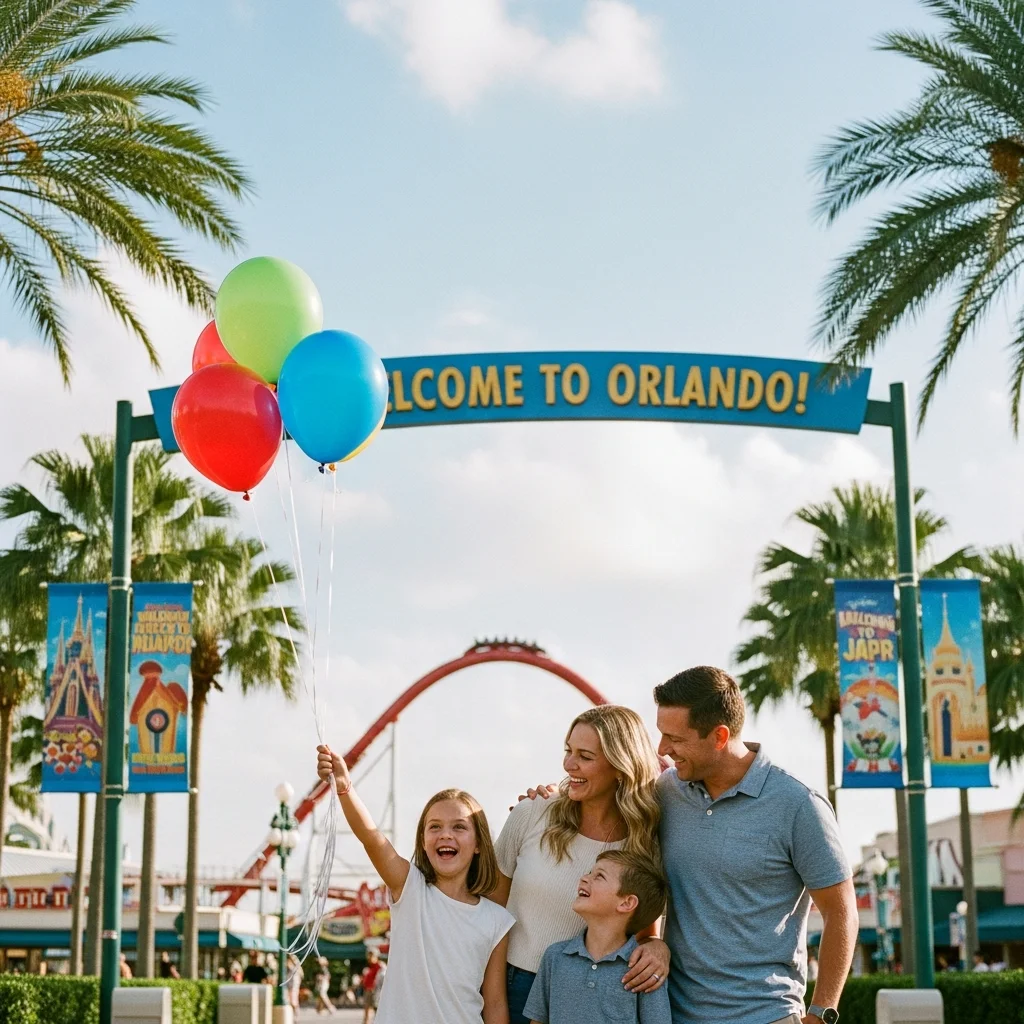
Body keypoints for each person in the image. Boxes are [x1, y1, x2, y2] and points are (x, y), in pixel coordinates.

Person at [653, 666, 858, 1024]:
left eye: (676, 739)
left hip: (766, 1014)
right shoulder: (666, 793)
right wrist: (546, 799)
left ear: (719, 736)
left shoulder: (798, 805)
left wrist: (820, 1013)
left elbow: (841, 913)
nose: (663, 749)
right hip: (674, 1015)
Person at [494, 706, 668, 1024]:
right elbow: (488, 918)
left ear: (620, 767)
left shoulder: (643, 843)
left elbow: (642, 932)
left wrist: (659, 948)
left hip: (585, 997)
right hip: (508, 987)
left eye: (585, 756)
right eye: (568, 751)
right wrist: (493, 1001)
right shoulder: (531, 813)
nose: (568, 764)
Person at [318, 743, 514, 1024]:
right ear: (423, 841)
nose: (445, 834)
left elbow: (495, 1004)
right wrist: (344, 787)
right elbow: (372, 838)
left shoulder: (497, 920)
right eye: (435, 827)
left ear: (480, 844)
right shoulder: (410, 889)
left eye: (459, 826)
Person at [523, 850, 671, 1024]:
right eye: (589, 873)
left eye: (599, 876)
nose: (584, 878)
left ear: (626, 903)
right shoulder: (555, 956)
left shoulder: (644, 969)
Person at [361, 950, 384, 1023]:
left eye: (371, 955)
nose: (369, 958)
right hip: (368, 990)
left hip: (376, 991)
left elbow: (382, 979)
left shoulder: (381, 966)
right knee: (367, 1011)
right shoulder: (369, 967)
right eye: (368, 955)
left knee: (377, 1011)